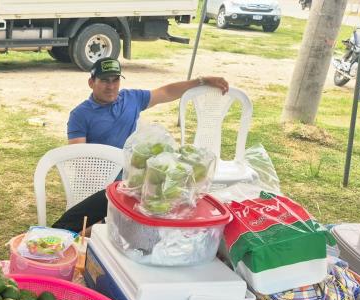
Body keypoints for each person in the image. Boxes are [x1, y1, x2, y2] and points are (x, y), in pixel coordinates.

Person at [52, 57, 229, 232]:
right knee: (73, 225)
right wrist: (109, 185)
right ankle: (66, 235)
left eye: (115, 80)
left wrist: (202, 81)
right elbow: (79, 159)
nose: (111, 86)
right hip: (103, 183)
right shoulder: (80, 114)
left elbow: (166, 92)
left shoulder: (131, 98)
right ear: (91, 82)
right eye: (104, 80)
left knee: (170, 204)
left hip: (136, 183)